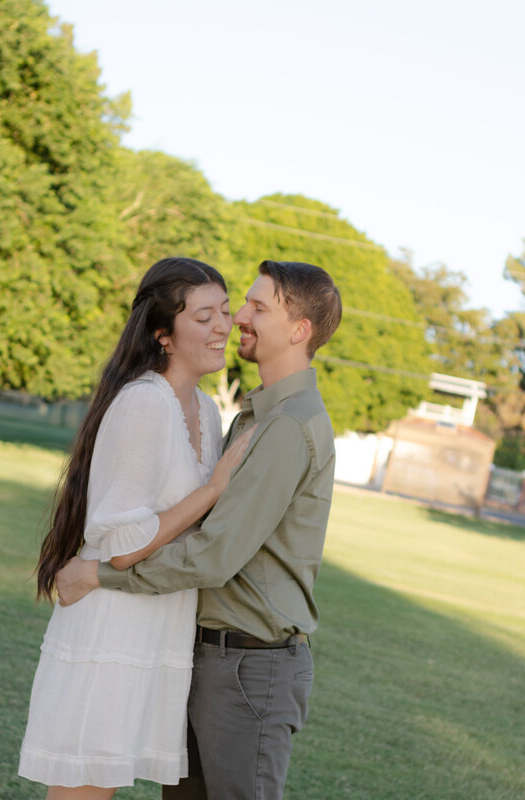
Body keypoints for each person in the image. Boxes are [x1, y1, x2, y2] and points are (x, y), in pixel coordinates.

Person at [55, 260, 342, 800]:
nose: (239, 321)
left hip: (250, 666)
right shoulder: (249, 417)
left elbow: (211, 556)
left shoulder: (284, 425)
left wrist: (99, 574)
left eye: (256, 308)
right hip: (208, 658)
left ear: (299, 331)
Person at [18, 257, 254, 799]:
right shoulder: (145, 402)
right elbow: (123, 545)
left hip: (157, 630)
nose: (223, 325)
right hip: (112, 633)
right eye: (203, 316)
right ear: (163, 334)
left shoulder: (206, 411)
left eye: (225, 309)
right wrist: (214, 489)